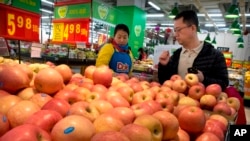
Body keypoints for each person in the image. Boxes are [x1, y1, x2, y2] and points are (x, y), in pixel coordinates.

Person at [157, 10, 229, 91]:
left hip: (202, 102)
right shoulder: (175, 55)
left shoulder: (215, 55)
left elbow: (224, 84)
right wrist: (163, 66)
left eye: (178, 30)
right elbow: (164, 82)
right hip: (177, 101)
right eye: (175, 30)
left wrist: (203, 79)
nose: (175, 34)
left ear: (192, 28)